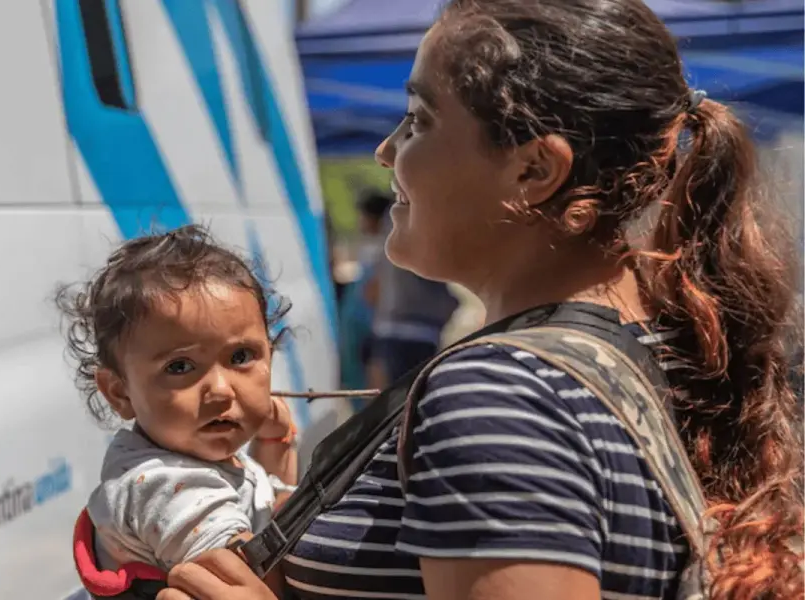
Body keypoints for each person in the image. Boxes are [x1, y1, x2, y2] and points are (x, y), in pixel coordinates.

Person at [148, 0, 804, 598]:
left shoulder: (500, 395)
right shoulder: (647, 348)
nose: (385, 153)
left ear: (534, 169)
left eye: (418, 120)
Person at [56, 225, 297, 590]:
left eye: (241, 356)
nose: (219, 390)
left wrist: (275, 441)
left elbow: (266, 505)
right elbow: (253, 578)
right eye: (180, 367)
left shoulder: (196, 457)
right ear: (119, 393)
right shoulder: (161, 485)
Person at [368, 210, 459, 387]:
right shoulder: (419, 215)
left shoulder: (397, 218)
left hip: (396, 330)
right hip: (418, 331)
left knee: (393, 405)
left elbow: (373, 290)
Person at [337, 190, 392, 391]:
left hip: (367, 327)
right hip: (360, 325)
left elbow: (374, 292)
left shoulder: (387, 249)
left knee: (366, 380)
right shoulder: (372, 247)